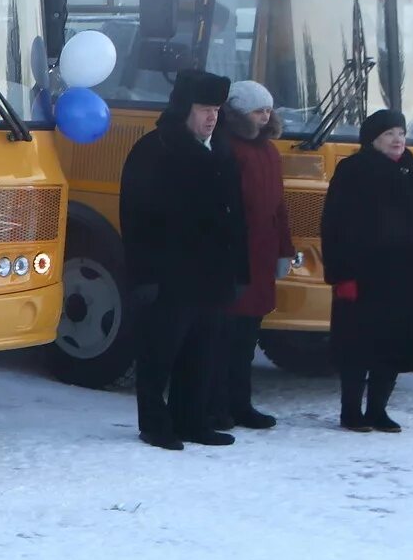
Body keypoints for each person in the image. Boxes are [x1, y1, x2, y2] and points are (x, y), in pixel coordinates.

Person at [119, 69, 247, 450]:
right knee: (159, 354)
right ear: (183, 109)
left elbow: (236, 214)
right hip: (169, 276)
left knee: (202, 354)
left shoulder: (222, 150)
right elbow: (135, 217)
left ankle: (192, 421)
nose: (212, 117)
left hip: (212, 276)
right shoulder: (155, 149)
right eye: (205, 109)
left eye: (217, 110)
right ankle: (155, 424)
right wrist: (145, 277)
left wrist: (238, 270)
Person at [322, 109, 413, 433]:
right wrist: (343, 275)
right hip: (365, 280)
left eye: (401, 133)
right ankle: (350, 411)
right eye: (389, 134)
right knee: (358, 347)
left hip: (407, 279)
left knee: (394, 346)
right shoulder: (353, 171)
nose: (398, 140)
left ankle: (378, 410)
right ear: (372, 140)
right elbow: (335, 226)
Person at [213, 80, 296, 430]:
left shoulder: (268, 151)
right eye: (257, 111)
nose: (264, 117)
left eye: (267, 111)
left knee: (246, 339)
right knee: (223, 338)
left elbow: (278, 207)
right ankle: (218, 405)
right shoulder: (225, 148)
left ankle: (240, 403)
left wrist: (284, 250)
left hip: (260, 257)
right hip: (234, 256)